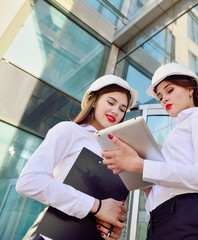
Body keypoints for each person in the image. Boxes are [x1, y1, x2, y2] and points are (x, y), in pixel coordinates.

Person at [102, 63, 198, 240]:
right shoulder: (176, 132)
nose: (164, 100)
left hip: (189, 218)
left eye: (169, 90)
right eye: (160, 97)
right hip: (158, 223)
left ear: (190, 88)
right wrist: (145, 184)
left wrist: (142, 166)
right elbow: (170, 185)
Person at [16, 75, 138, 240]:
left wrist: (110, 230)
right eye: (110, 102)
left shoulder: (116, 153)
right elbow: (28, 181)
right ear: (94, 101)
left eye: (122, 109)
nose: (116, 111)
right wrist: (98, 206)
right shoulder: (70, 131)